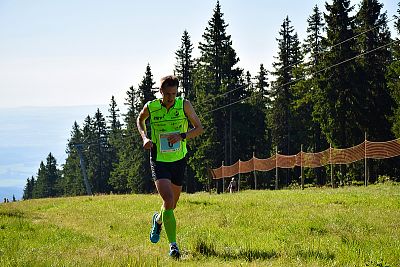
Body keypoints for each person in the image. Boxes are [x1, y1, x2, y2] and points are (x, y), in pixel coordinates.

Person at [136, 75, 204, 258]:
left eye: (173, 94)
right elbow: (140, 121)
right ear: (161, 92)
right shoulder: (151, 107)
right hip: (159, 160)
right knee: (167, 199)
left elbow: (199, 128)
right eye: (167, 94)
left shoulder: (184, 105)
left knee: (171, 205)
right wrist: (145, 138)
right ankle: (173, 246)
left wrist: (182, 136)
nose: (170, 98)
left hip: (178, 160)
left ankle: (158, 221)